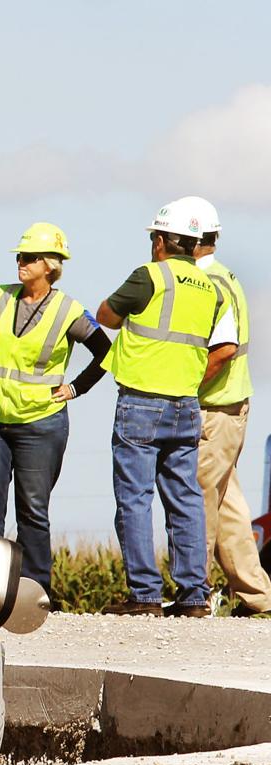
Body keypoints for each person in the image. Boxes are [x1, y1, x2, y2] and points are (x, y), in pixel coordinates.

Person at [97, 201, 235, 617]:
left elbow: (106, 315)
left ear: (159, 241)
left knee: (135, 499)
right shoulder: (211, 289)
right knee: (186, 499)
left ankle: (144, 594)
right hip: (186, 405)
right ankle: (194, 595)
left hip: (141, 401)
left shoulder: (149, 276)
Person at [0, 223, 111, 599]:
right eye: (19, 256)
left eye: (29, 257)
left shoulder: (68, 311)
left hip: (40, 423)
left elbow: (107, 353)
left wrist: (76, 388)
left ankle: (34, 593)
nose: (21, 262)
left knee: (32, 510)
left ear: (50, 265)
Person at [180, 196, 271, 617]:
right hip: (231, 408)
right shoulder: (225, 276)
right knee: (228, 504)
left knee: (198, 499)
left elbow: (221, 351)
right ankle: (258, 596)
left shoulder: (205, 285)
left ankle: (194, 592)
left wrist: (186, 389)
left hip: (214, 409)